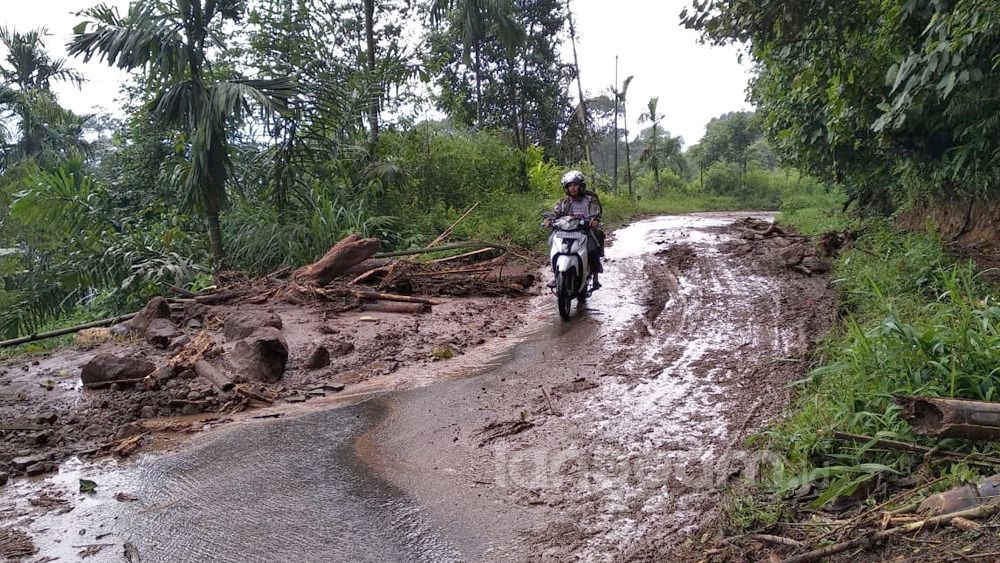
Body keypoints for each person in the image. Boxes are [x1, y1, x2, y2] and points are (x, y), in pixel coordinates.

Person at [543, 169, 605, 289]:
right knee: (551, 242)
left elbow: (596, 212)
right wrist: (549, 219)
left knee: (592, 248)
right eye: (570, 186)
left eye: (575, 185)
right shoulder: (563, 202)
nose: (573, 188)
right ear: (566, 188)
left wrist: (594, 220)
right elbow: (555, 212)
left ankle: (595, 276)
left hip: (584, 230)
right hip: (564, 231)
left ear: (581, 186)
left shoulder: (590, 199)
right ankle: (556, 275)